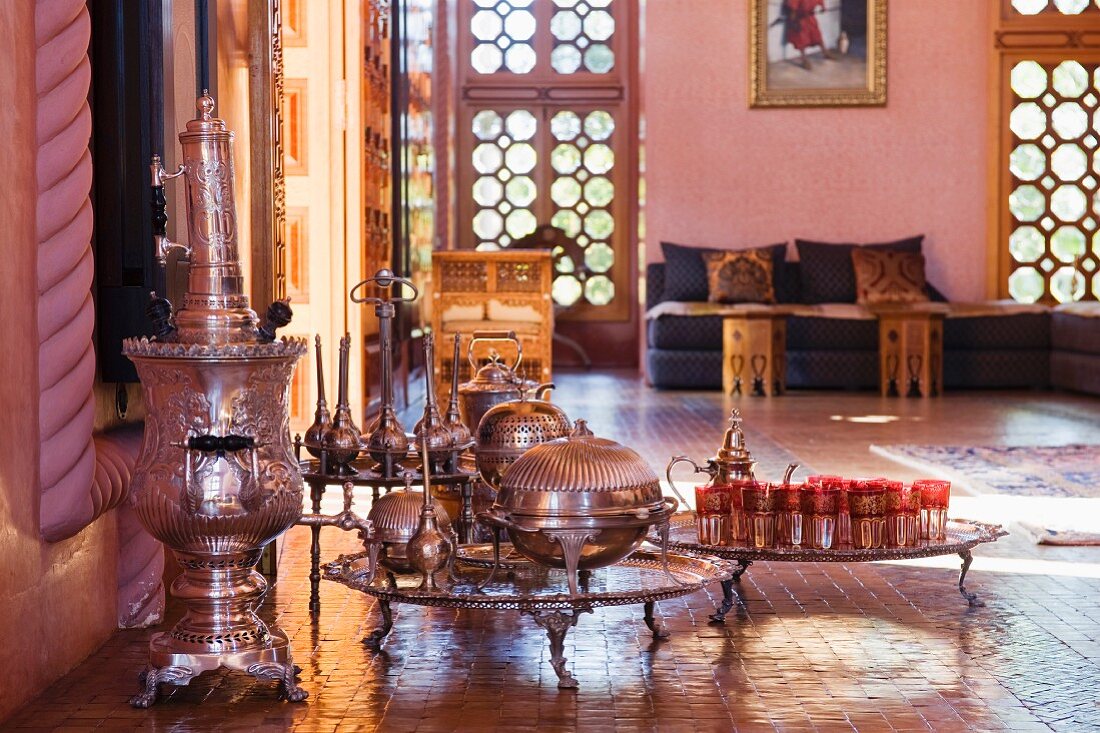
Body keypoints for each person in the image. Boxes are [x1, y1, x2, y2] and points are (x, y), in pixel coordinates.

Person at [776, 0, 836, 71]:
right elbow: (793, 7)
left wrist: (823, 7)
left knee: (817, 35)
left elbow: (820, 2)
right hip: (799, 19)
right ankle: (804, 59)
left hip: (810, 17)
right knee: (801, 39)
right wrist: (793, 20)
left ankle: (825, 52)